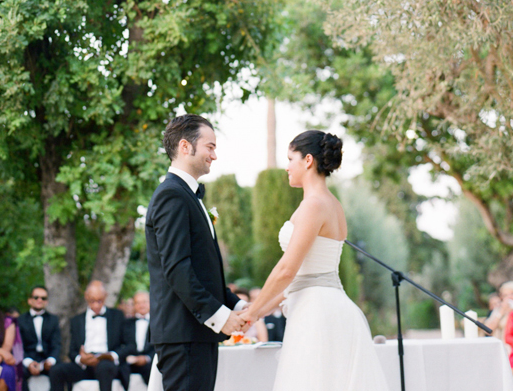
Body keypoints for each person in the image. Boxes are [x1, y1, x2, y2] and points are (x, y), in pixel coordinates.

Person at [238, 130, 390, 391]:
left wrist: (251, 311)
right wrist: (256, 312)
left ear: (307, 160)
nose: (286, 167)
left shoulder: (314, 205)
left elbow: (287, 269)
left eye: (290, 159)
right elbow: (299, 281)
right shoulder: (330, 203)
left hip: (318, 314)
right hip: (326, 304)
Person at [145, 113, 246, 391]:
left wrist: (237, 306)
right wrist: (221, 316)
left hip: (196, 333)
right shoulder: (172, 195)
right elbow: (177, 270)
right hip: (183, 334)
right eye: (210, 147)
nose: (214, 155)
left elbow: (204, 270)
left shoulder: (188, 196)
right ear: (185, 147)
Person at [49, 281, 126, 391]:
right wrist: (81, 359)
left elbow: (129, 345)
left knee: (103, 368)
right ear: (86, 297)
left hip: (107, 363)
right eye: (92, 301)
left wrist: (110, 356)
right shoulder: (76, 320)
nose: (96, 305)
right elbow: (72, 351)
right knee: (56, 370)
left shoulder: (118, 316)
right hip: (84, 365)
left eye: (100, 300)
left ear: (106, 296)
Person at [17, 286, 61, 391]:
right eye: (36, 297)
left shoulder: (53, 320)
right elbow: (18, 346)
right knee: (18, 371)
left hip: (47, 359)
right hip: (28, 359)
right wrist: (29, 363)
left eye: (43, 298)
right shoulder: (20, 320)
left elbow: (56, 344)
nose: (39, 300)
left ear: (47, 301)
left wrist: (50, 361)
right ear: (29, 300)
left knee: (60, 370)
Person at [118, 292, 154, 390]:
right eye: (138, 303)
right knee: (121, 368)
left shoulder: (158, 323)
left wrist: (146, 358)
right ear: (134, 305)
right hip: (129, 360)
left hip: (150, 360)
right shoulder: (125, 324)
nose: (141, 305)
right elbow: (121, 343)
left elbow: (159, 347)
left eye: (144, 302)